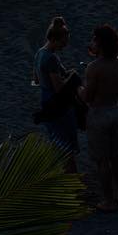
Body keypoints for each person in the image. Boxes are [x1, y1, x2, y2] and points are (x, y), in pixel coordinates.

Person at [80, 23, 118, 212]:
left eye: (94, 40)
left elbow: (87, 97)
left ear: (100, 43)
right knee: (115, 155)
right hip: (115, 111)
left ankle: (108, 200)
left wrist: (78, 89)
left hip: (99, 114)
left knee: (102, 160)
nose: (91, 42)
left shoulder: (94, 68)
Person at [34, 17, 79, 172]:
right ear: (54, 39)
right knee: (66, 145)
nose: (64, 46)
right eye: (62, 43)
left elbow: (36, 79)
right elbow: (59, 88)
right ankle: (72, 179)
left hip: (45, 99)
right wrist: (71, 78)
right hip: (57, 104)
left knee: (57, 142)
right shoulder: (51, 58)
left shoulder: (39, 53)